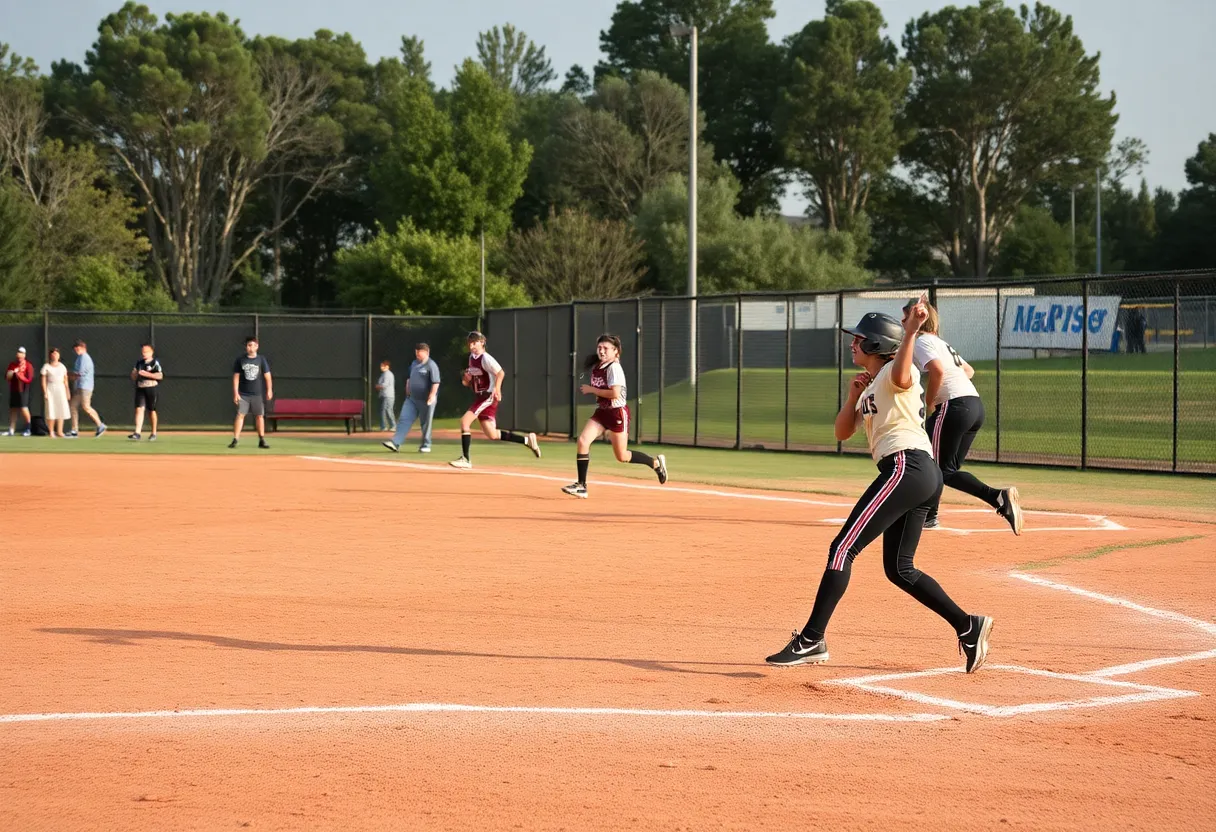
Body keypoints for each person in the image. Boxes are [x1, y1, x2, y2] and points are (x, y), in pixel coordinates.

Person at [765, 306, 994, 674]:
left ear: (875, 343)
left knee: (842, 548)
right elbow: (842, 432)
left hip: (907, 465)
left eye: (859, 338)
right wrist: (851, 396)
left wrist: (910, 333)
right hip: (918, 472)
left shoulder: (892, 371)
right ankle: (968, 626)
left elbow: (904, 374)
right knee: (900, 569)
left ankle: (811, 639)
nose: (853, 343)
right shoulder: (872, 381)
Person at [902, 299, 1022, 534]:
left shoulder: (922, 341)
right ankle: (998, 497)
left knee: (933, 465)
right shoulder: (940, 342)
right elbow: (968, 370)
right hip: (974, 405)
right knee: (947, 470)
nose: (902, 321)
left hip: (954, 406)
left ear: (919, 320)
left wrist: (931, 401)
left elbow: (937, 370)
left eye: (905, 316)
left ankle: (928, 516)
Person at [561, 334, 668, 498]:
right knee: (583, 441)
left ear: (615, 351)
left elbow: (615, 393)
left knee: (622, 456)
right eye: (599, 347)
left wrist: (592, 390)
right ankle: (581, 485)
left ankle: (655, 463)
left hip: (617, 413)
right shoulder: (599, 366)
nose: (601, 351)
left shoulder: (614, 368)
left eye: (605, 348)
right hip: (602, 412)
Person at [450, 331, 540, 469]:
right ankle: (527, 440)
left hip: (488, 396)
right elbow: (471, 381)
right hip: (480, 396)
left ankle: (466, 459)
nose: (472, 346)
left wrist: (497, 389)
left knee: (464, 422)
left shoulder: (485, 358)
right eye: (470, 343)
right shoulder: (472, 358)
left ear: (482, 342)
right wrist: (466, 380)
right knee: (492, 434)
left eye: (475, 342)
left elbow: (500, 373)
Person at [382, 343, 440, 454]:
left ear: (427, 352)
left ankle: (426, 445)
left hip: (426, 400)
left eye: (420, 352)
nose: (417, 354)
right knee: (404, 419)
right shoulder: (414, 363)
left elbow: (436, 382)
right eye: (416, 352)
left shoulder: (431, 365)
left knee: (425, 423)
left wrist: (432, 396)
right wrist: (407, 390)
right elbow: (409, 378)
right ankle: (395, 443)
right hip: (412, 399)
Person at [230, 336, 272, 449]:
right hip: (243, 394)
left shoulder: (261, 359)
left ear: (257, 346)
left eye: (253, 345)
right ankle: (235, 439)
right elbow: (236, 377)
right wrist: (236, 393)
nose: (251, 347)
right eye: (249, 345)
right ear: (246, 347)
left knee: (259, 416)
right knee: (240, 415)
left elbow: (267, 376)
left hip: (257, 394)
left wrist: (269, 390)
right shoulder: (240, 360)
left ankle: (262, 439)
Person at [68, 340, 107, 437]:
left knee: (86, 406)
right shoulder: (79, 358)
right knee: (73, 406)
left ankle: (100, 425)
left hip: (85, 386)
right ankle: (74, 430)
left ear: (84, 348)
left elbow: (79, 373)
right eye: (76, 348)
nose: (77, 350)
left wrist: (67, 375)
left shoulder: (84, 357)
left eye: (79, 348)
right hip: (79, 387)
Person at [129, 343, 164, 442]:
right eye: (143, 352)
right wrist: (134, 374)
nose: (144, 353)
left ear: (151, 352)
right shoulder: (139, 363)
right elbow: (133, 376)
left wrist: (147, 374)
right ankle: (137, 432)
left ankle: (153, 433)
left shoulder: (154, 363)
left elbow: (160, 376)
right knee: (139, 409)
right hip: (140, 387)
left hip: (151, 387)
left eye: (146, 351)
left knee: (151, 410)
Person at [40, 347, 71, 438]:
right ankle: (51, 431)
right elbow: (43, 381)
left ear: (59, 355)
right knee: (51, 409)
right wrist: (45, 392)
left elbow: (65, 380)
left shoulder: (62, 366)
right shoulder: (46, 366)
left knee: (61, 409)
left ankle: (60, 431)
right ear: (50, 355)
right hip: (50, 389)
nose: (55, 355)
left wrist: (67, 391)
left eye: (56, 353)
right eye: (53, 353)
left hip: (61, 389)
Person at [5, 346, 34, 436]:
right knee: (13, 409)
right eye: (18, 353)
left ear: (24, 355)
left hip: (23, 390)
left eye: (21, 353)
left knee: (24, 408)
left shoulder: (28, 365)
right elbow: (7, 377)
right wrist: (12, 373)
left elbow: (29, 379)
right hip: (14, 389)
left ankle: (28, 429)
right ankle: (11, 429)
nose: (19, 355)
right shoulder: (12, 365)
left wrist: (20, 376)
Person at [376, 360, 397, 432]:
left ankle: (391, 426)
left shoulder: (387, 374)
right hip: (384, 395)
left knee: (387, 410)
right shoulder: (383, 374)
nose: (381, 367)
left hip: (388, 396)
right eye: (381, 366)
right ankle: (386, 426)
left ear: (387, 366)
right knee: (385, 410)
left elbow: (385, 385)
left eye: (383, 366)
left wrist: (378, 386)